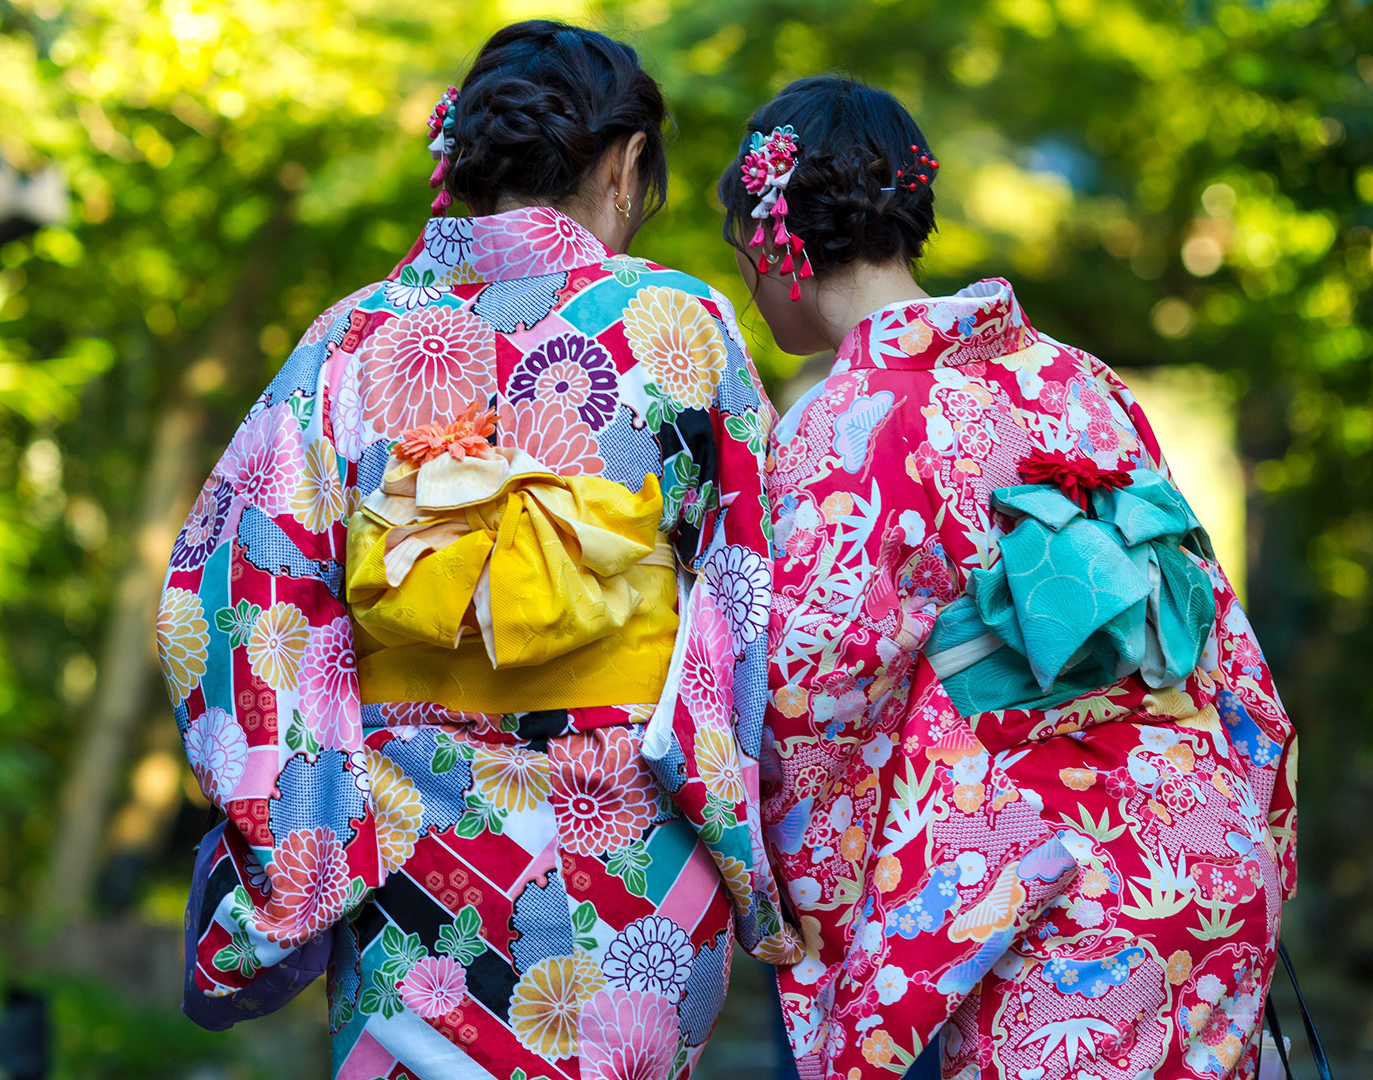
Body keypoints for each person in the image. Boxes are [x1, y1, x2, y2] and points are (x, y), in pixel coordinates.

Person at [158, 20, 802, 1079]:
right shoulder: (681, 324)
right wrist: (760, 831)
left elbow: (225, 594)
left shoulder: (352, 337)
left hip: (406, 849)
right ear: (626, 159)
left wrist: (307, 842)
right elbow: (759, 593)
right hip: (631, 855)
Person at [721, 75, 1298, 1079]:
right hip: (1199, 849)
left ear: (775, 245)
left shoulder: (849, 422)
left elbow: (816, 711)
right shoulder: (1077, 378)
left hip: (1037, 888)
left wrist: (801, 924)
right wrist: (1262, 818)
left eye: (744, 260)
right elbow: (1204, 617)